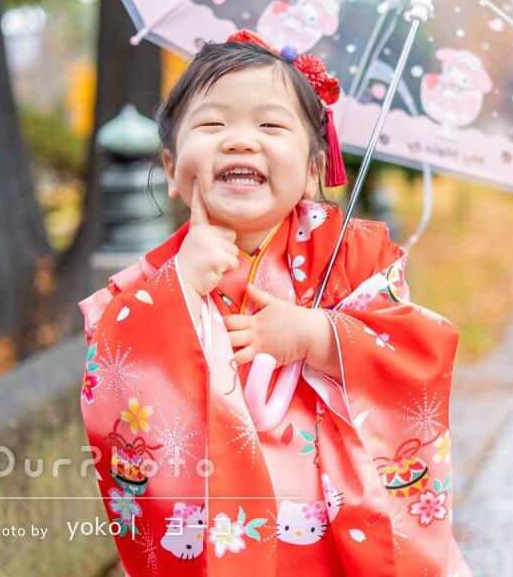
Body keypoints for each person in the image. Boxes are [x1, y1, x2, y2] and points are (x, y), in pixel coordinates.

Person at [78, 29, 469, 576]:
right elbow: (114, 377)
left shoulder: (355, 258)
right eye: (213, 124)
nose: (240, 141)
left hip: (336, 530)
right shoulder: (152, 284)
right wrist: (181, 290)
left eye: (270, 124)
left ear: (312, 169)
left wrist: (317, 336)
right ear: (171, 168)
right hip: (221, 522)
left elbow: (415, 353)